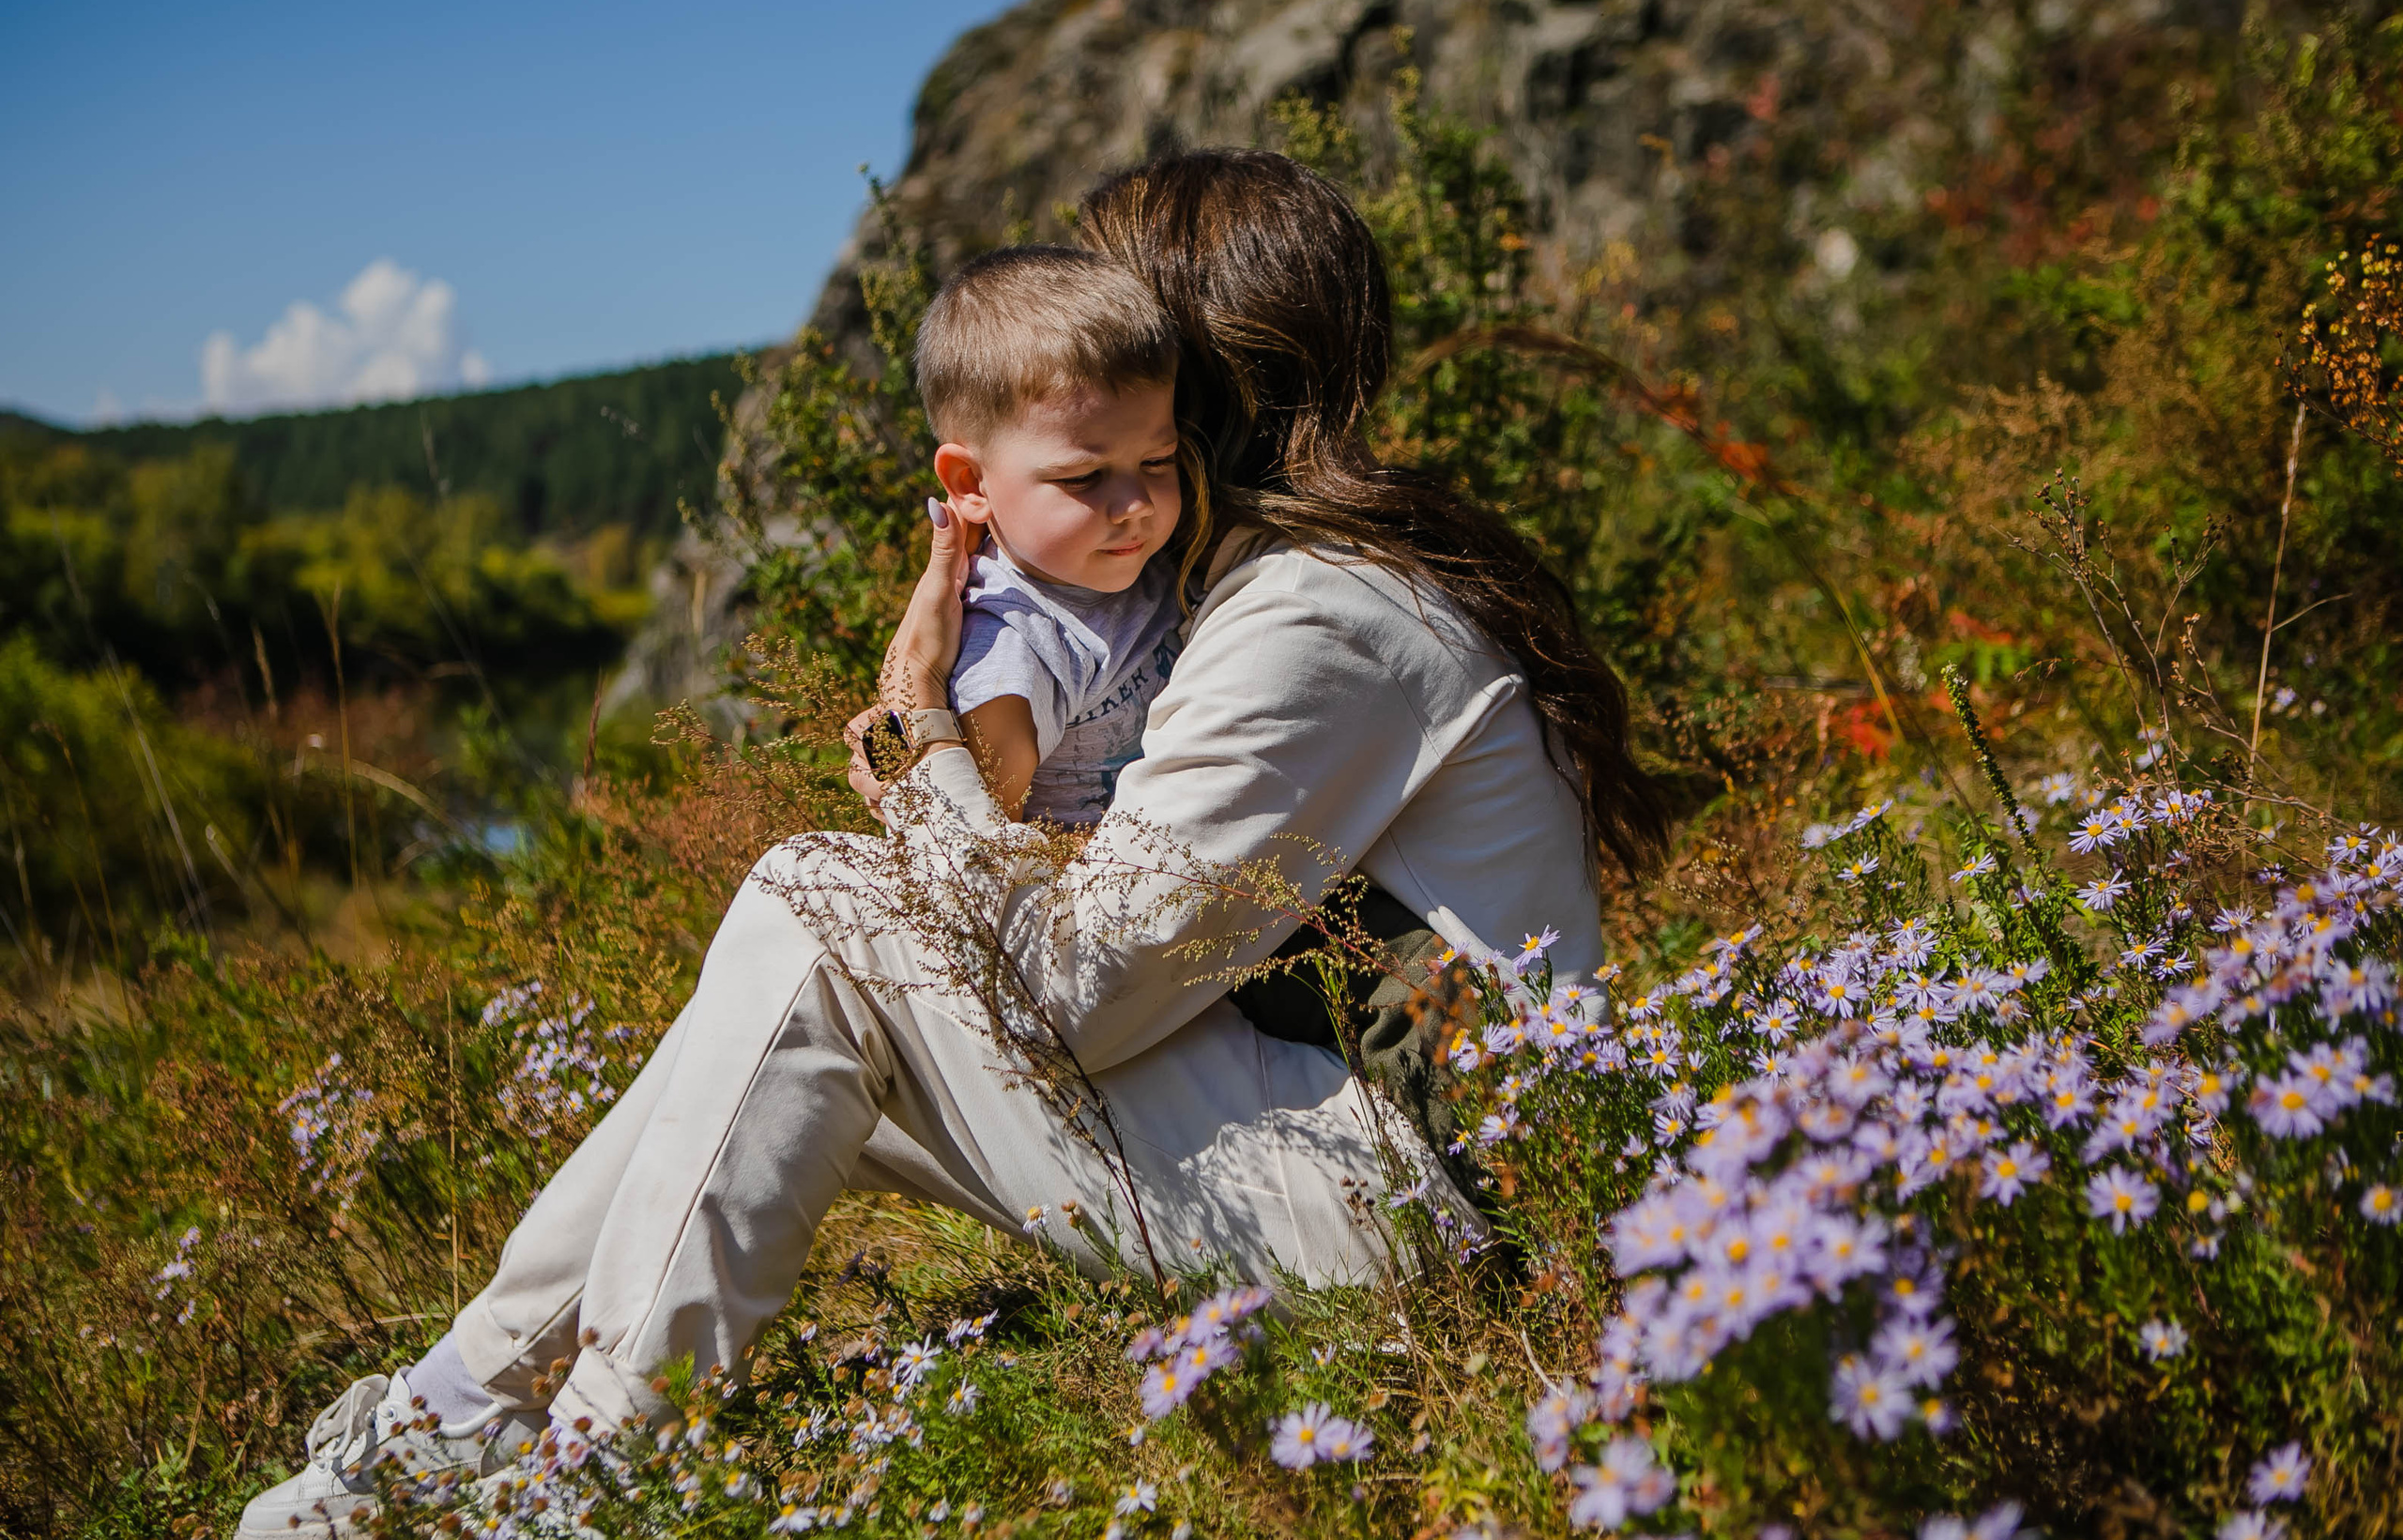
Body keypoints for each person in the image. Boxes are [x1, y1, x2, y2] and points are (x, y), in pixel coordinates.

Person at [236, 148, 1667, 1538]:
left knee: (818, 901)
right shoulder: (1292, 586)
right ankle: (447, 1423)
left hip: (1418, 1217)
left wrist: (928, 732)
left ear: (1193, 375)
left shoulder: (1315, 617)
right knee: (795, 980)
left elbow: (1075, 997)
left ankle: (586, 1474)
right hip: (1348, 1141)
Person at [905, 244, 1197, 825]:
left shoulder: (1152, 554)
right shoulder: (1012, 650)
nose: (1137, 504)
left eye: (1158, 461)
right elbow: (977, 842)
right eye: (1083, 478)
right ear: (970, 482)